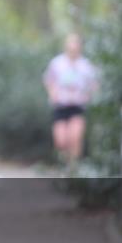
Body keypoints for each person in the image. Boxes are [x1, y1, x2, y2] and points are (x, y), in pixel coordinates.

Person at [43, 33, 98, 165]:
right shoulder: (57, 63)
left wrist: (89, 95)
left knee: (75, 137)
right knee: (61, 141)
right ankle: (64, 164)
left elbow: (94, 84)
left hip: (77, 106)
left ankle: (73, 168)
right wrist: (52, 94)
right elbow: (48, 80)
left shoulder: (86, 65)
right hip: (60, 105)